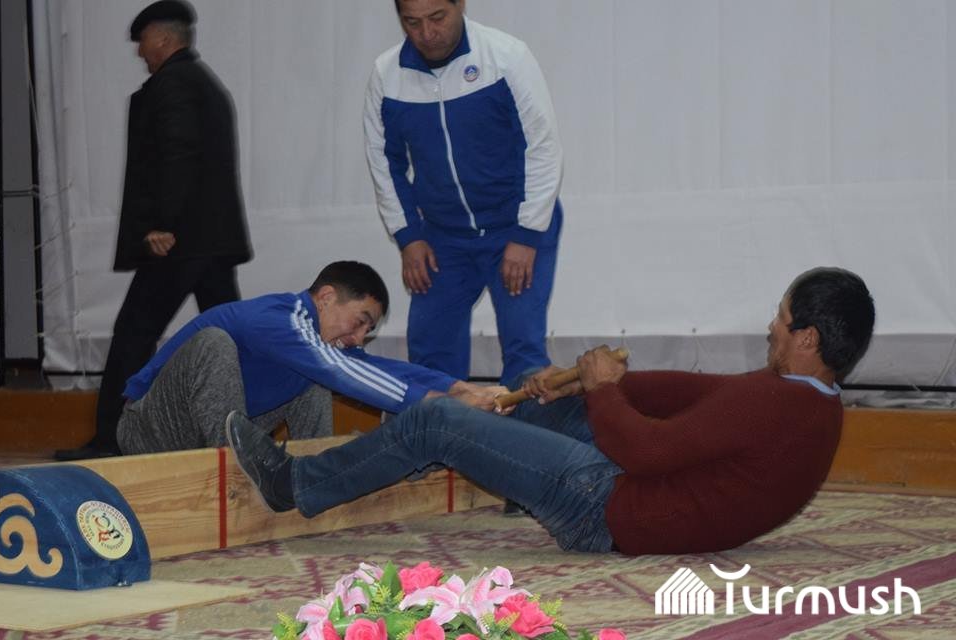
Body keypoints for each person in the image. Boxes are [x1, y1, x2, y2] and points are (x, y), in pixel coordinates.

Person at [228, 267, 875, 555]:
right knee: (532, 399)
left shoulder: (773, 401)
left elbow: (645, 451)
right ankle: (507, 477)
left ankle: (296, 485)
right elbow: (695, 396)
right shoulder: (810, 402)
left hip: (610, 510)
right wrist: (587, 385)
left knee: (437, 420)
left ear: (808, 338)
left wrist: (605, 391)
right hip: (633, 493)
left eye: (781, 318)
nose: (770, 325)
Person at [56, 0, 252, 460]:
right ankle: (248, 435)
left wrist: (161, 223)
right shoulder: (202, 82)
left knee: (133, 334)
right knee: (233, 341)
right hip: (209, 243)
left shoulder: (176, 84)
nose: (140, 51)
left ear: (163, 38)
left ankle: (112, 440)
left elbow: (177, 155)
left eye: (143, 41)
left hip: (179, 243)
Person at [364, 0, 564, 388]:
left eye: (437, 17)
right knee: (430, 362)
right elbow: (383, 161)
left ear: (460, 4)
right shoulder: (387, 75)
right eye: (412, 22)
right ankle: (444, 429)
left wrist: (527, 235)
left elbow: (543, 146)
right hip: (442, 238)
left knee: (525, 358)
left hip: (515, 226)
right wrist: (408, 236)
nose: (426, 33)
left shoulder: (506, 57)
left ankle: (526, 426)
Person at [116, 261, 506, 455]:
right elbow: (342, 371)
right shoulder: (278, 320)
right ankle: (235, 475)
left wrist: (460, 388)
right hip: (151, 430)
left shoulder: (318, 342)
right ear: (326, 298)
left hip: (211, 433)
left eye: (366, 332)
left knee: (322, 372)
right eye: (360, 322)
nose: (357, 338)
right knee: (215, 343)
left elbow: (375, 367)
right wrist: (441, 403)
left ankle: (313, 476)